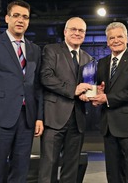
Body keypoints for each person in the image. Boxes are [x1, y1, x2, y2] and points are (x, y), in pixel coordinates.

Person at [0, 0, 44, 183]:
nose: (20, 20)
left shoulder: (34, 49)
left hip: (26, 120)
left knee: (20, 172)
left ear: (28, 22)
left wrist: (39, 116)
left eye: (25, 17)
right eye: (16, 15)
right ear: (7, 18)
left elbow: (37, 86)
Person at [90, 22, 128, 183]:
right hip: (109, 127)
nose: (116, 40)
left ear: (127, 38)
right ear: (107, 41)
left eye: (119, 36)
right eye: (111, 38)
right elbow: (102, 89)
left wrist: (107, 98)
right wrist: (97, 97)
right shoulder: (102, 63)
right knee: (113, 174)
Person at [38, 17, 93, 183]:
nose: (77, 33)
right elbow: (45, 77)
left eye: (81, 30)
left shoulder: (88, 58)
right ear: (65, 31)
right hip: (54, 118)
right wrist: (73, 90)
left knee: (72, 168)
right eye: (73, 29)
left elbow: (88, 86)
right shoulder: (52, 50)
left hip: (78, 120)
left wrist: (89, 94)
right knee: (49, 167)